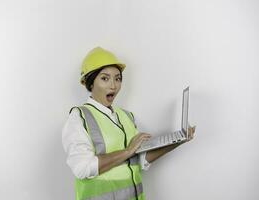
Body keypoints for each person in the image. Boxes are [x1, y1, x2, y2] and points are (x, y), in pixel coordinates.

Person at [62, 47, 196, 200]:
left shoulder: (126, 116)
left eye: (118, 78)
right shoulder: (79, 117)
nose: (113, 85)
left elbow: (139, 159)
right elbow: (82, 168)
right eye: (105, 78)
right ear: (90, 83)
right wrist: (127, 151)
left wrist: (178, 140)